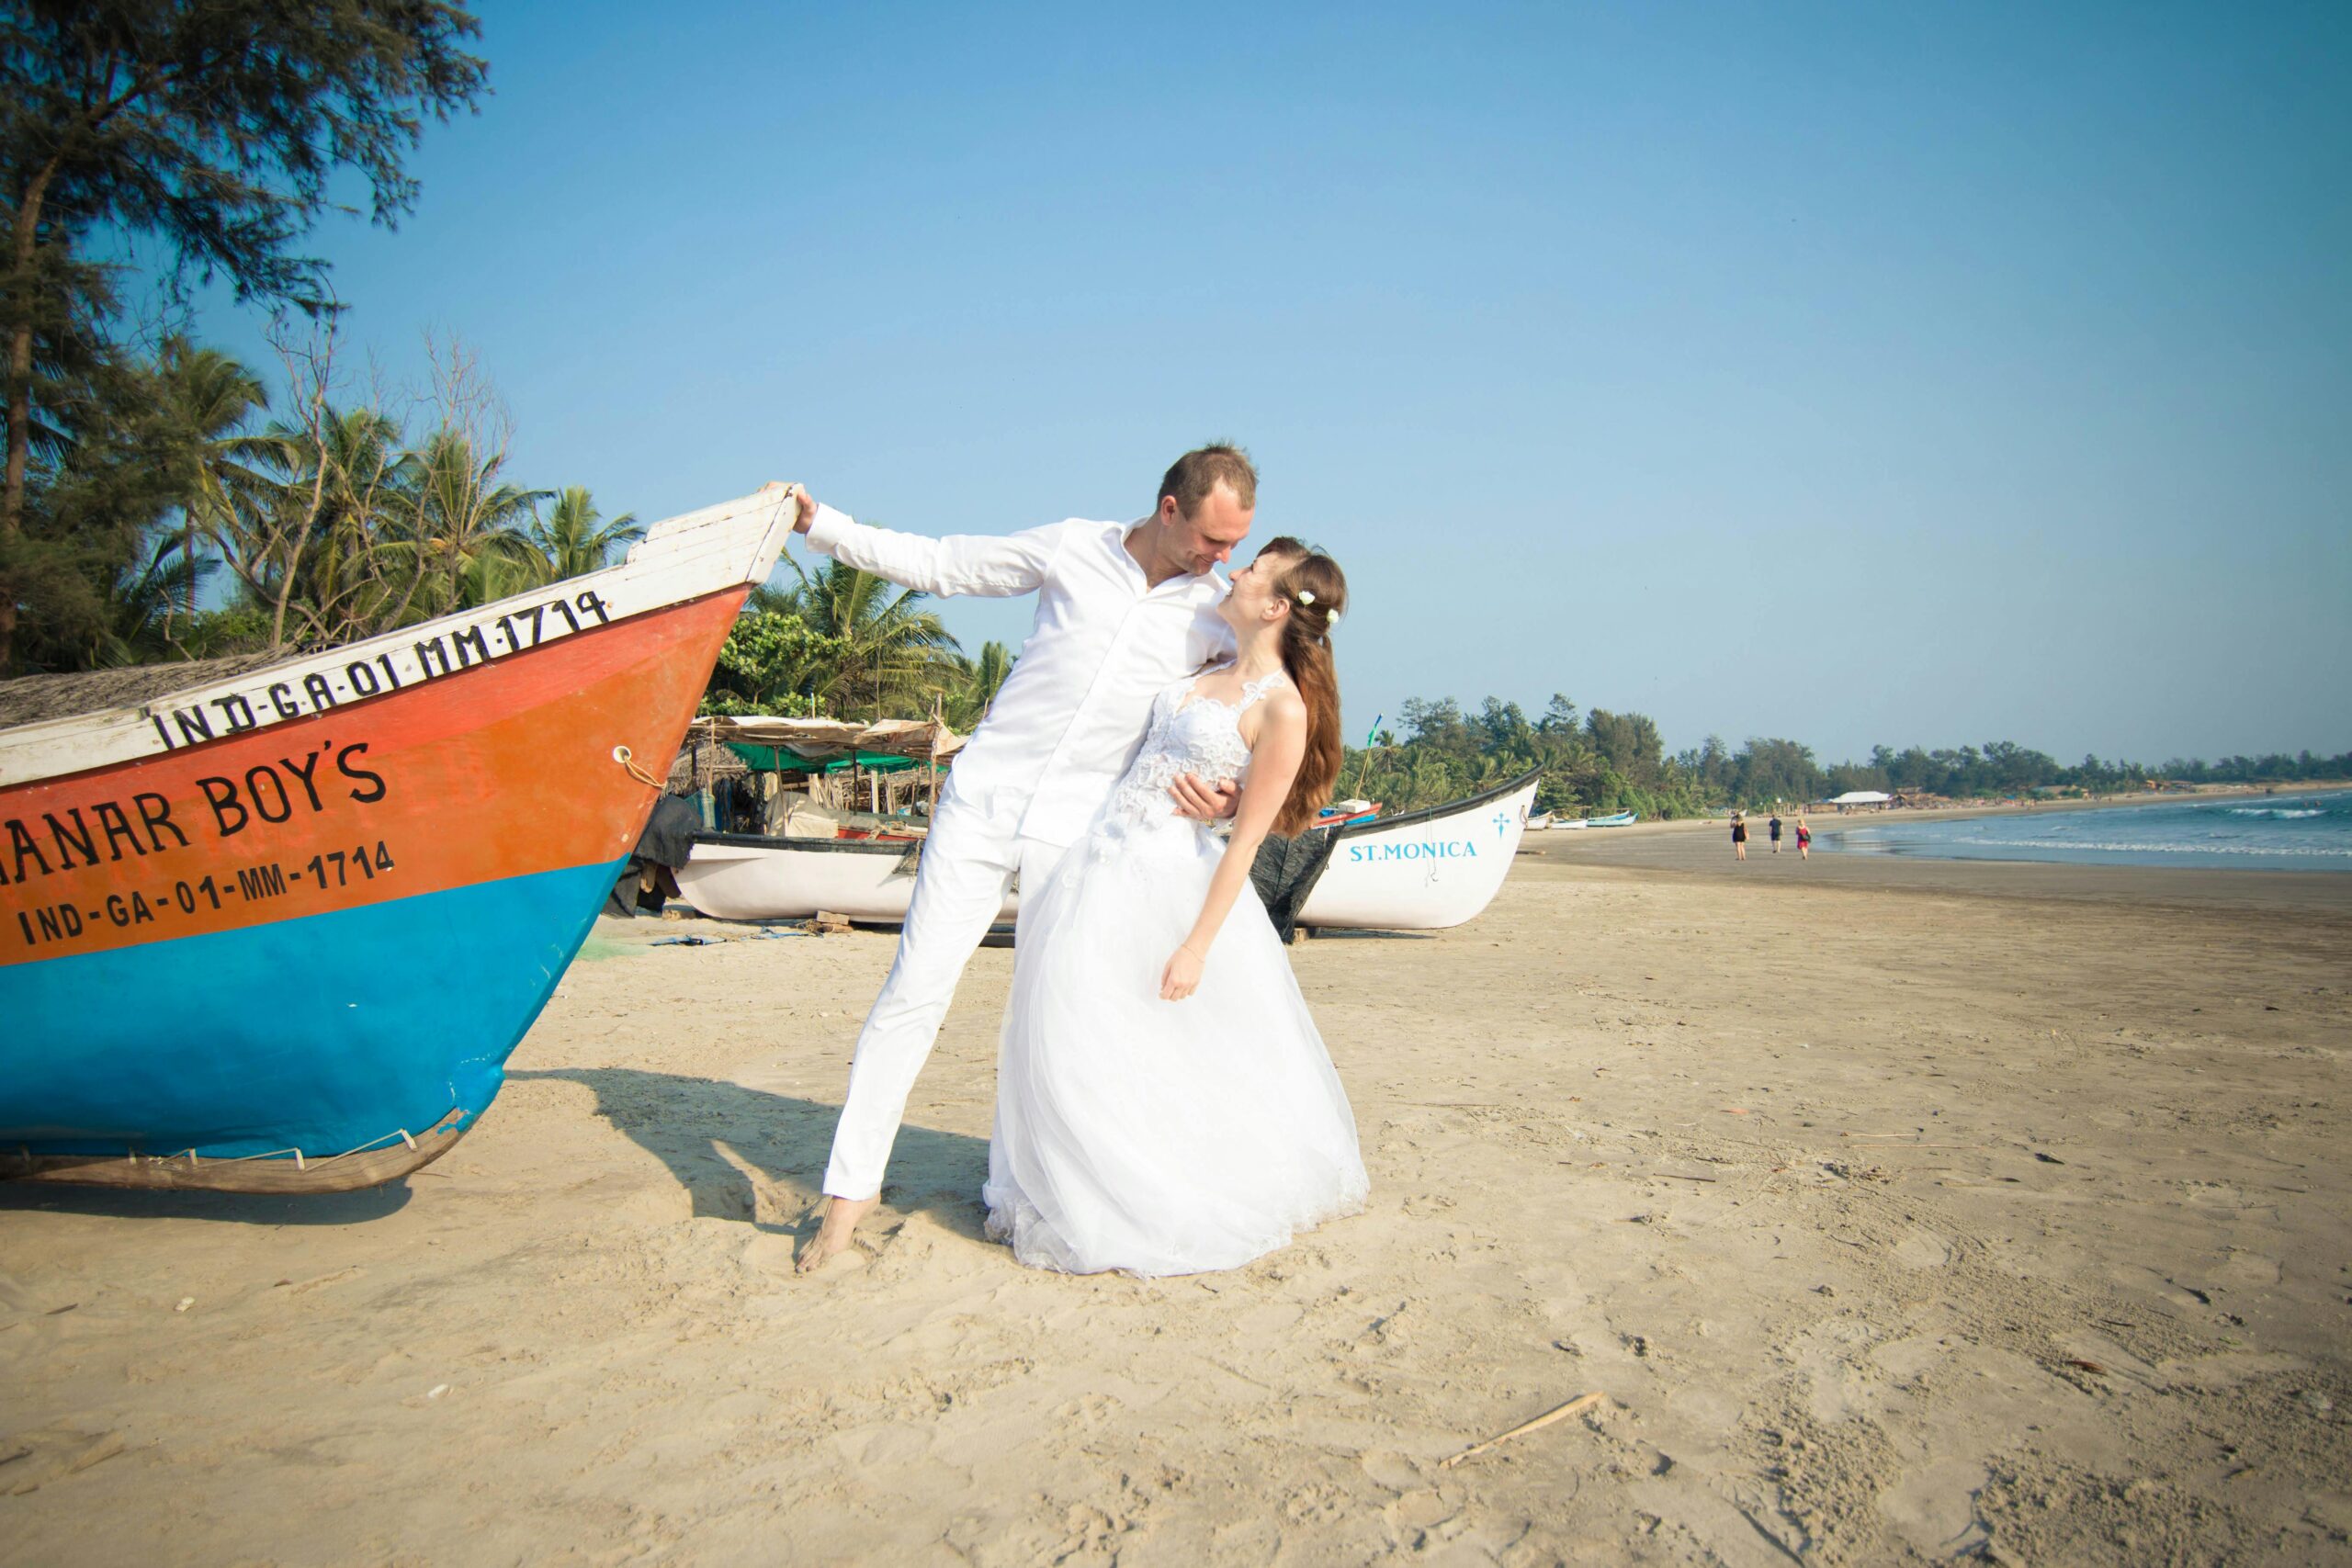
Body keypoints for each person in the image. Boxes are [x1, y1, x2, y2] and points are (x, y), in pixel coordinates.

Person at [775, 447, 1257, 1273]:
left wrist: (1238, 798)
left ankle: (1040, 1193)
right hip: (982, 803)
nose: (1224, 559)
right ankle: (848, 1198)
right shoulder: (1072, 547)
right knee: (912, 994)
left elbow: (1262, 712)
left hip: (1078, 835)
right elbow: (941, 564)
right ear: (1169, 508)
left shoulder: (1218, 614)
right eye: (1213, 539)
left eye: (1234, 544)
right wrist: (824, 526)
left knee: (1055, 1022)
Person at [984, 539, 1367, 1275]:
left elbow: (1246, 842)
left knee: (1141, 1038)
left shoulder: (1281, 707)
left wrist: (1196, 944)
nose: (1235, 571)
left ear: (1278, 606)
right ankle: (1066, 1177)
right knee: (1073, 1021)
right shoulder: (1210, 657)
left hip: (1169, 882)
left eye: (1252, 570)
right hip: (1100, 858)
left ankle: (1128, 1189)